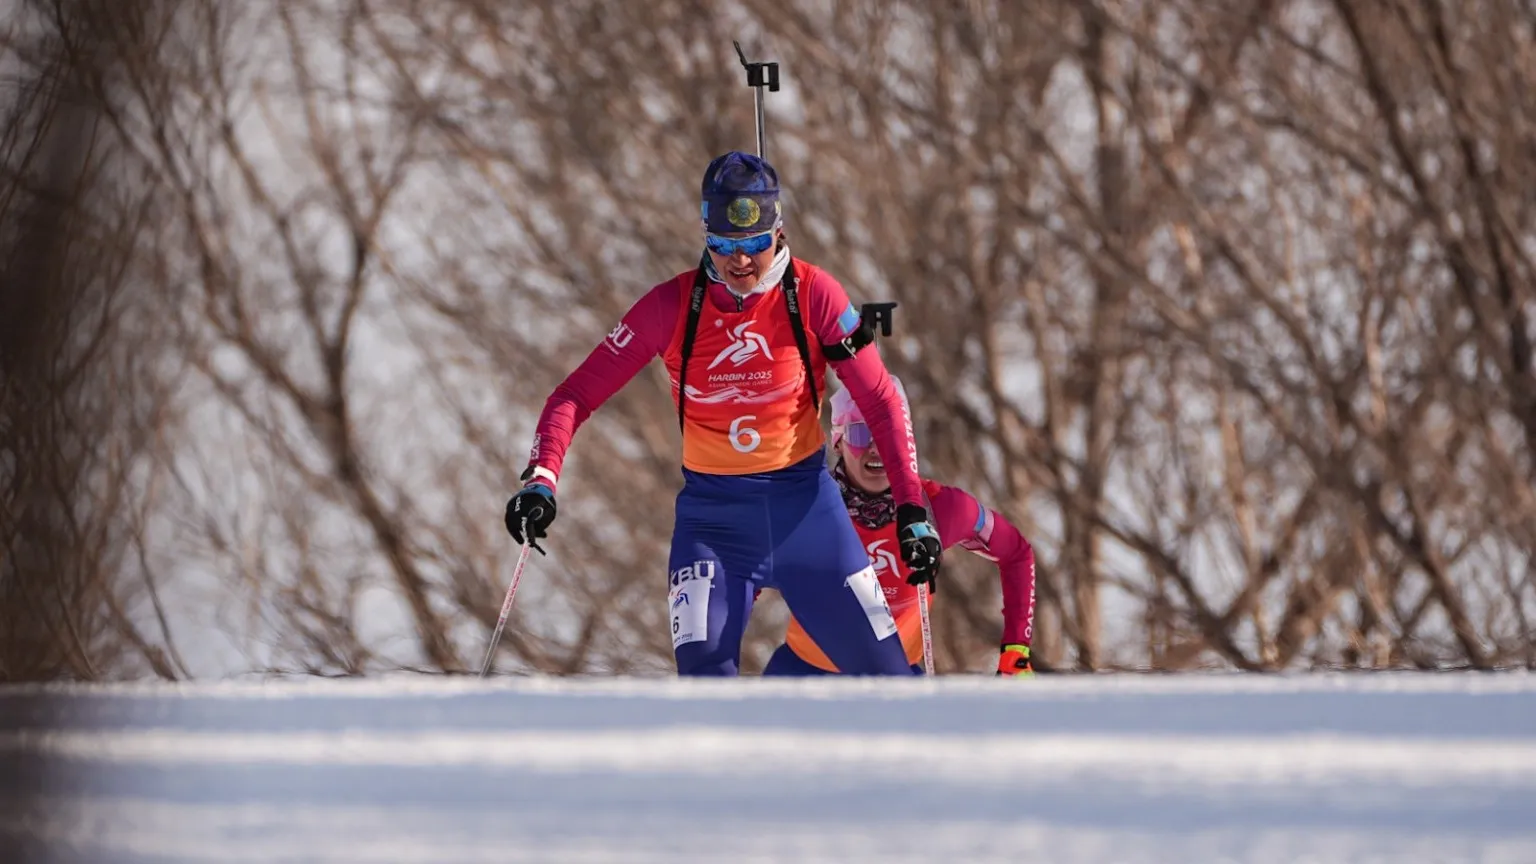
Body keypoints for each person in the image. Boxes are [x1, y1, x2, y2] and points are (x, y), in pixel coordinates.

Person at [504, 151, 942, 676]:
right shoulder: (671, 306)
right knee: (707, 692)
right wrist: (541, 479)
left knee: (890, 685)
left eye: (754, 244)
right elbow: (574, 395)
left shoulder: (814, 294)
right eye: (725, 246)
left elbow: (879, 399)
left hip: (809, 517)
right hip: (712, 526)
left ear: (778, 232)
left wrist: (911, 508)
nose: (740, 262)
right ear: (705, 236)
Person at [762, 377, 1039, 677]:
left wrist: (1016, 650)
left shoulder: (938, 509)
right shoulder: (808, 507)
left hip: (895, 680)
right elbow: (740, 568)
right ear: (838, 440)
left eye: (887, 436)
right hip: (805, 676)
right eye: (860, 433)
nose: (877, 449)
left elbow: (1016, 553)